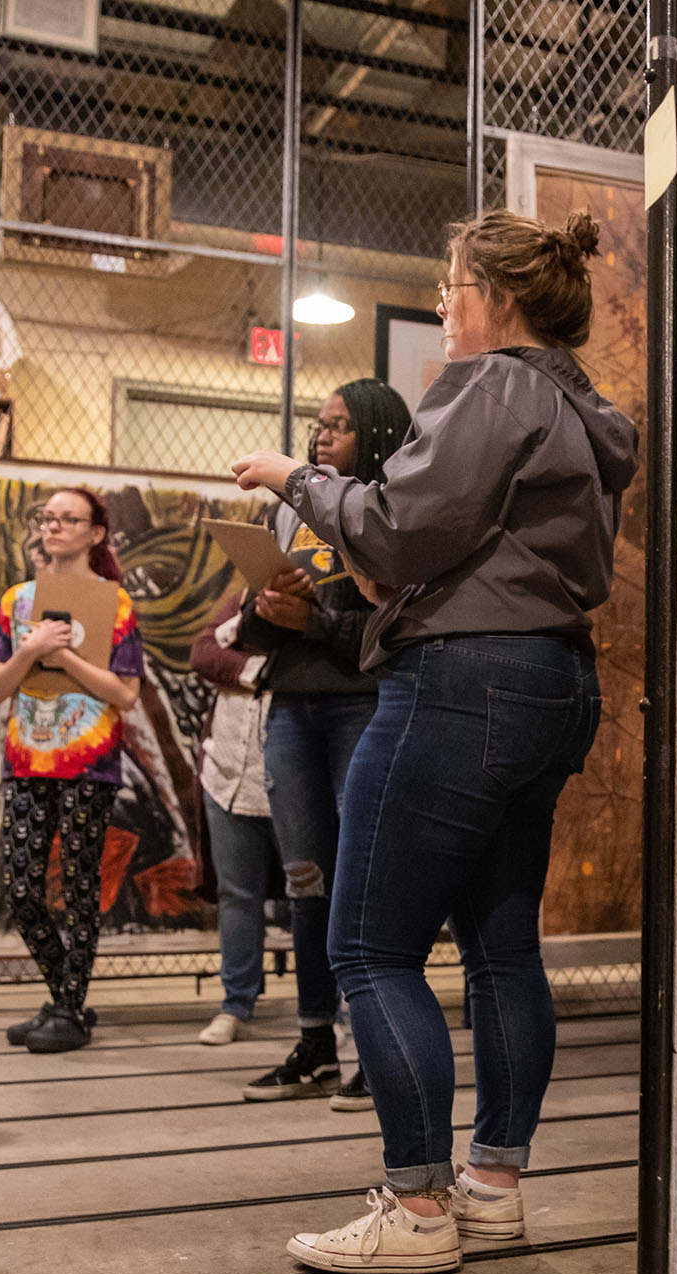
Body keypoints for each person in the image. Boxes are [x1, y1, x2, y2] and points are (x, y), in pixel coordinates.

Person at [233, 208, 635, 1274]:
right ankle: (492, 1184)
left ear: (497, 300)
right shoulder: (578, 407)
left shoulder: (495, 385)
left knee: (368, 944)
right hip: (552, 676)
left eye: (453, 287)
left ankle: (414, 1208)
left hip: (462, 682)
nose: (446, 306)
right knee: (502, 945)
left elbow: (400, 525)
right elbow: (456, 542)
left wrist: (295, 480)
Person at [235, 378, 413, 1105]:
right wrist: (266, 605)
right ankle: (314, 1038)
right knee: (303, 880)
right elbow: (252, 636)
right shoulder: (290, 517)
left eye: (337, 426)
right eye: (316, 425)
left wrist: (315, 623)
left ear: (373, 435)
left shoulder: (386, 518)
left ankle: (369, 1047)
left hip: (357, 710)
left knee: (358, 885)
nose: (319, 436)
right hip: (291, 712)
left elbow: (387, 635)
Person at [0, 488, 146, 1053]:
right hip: (27, 760)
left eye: (67, 519)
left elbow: (125, 695)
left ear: (95, 533)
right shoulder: (17, 600)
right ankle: (67, 997)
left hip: (89, 763)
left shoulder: (114, 603)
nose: (53, 527)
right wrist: (30, 651)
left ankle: (68, 1008)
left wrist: (66, 656)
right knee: (22, 887)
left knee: (78, 889)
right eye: (46, 518)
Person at [187, 593, 276, 1049]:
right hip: (227, 773)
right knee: (236, 895)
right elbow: (204, 652)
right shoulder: (243, 595)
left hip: (293, 773)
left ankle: (324, 1010)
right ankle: (235, 1004)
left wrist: (238, 663)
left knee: (313, 898)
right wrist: (257, 672)